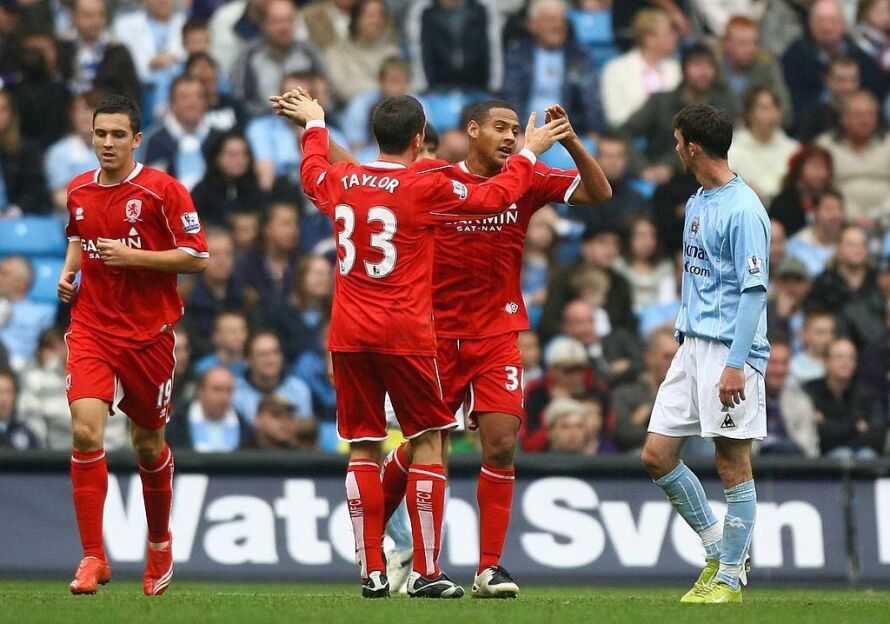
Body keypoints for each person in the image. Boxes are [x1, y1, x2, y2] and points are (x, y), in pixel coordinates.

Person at [274, 89, 568, 598]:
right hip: (405, 332)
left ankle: (371, 569)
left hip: (347, 332)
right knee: (430, 441)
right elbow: (494, 198)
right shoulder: (425, 183)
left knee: (363, 447)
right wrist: (530, 151)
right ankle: (427, 571)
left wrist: (314, 123)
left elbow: (312, 171)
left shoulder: (343, 180)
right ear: (418, 140)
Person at [375, 98, 610, 597]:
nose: (509, 136)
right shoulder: (437, 178)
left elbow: (598, 191)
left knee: (501, 443)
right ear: (472, 130)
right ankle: (380, 528)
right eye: (499, 127)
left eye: (515, 130)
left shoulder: (528, 176)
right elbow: (376, 179)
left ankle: (489, 569)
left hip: (498, 335)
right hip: (436, 336)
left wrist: (569, 142)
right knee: (423, 448)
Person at [58, 94, 209, 596]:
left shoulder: (164, 191)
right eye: (100, 133)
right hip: (92, 329)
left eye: (118, 135)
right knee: (85, 431)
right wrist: (68, 274)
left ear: (136, 139)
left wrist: (135, 257)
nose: (108, 143)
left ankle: (160, 542)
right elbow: (78, 237)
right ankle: (93, 556)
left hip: (148, 335)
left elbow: (197, 257)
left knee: (148, 445)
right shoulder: (78, 189)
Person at [640, 105, 770, 604]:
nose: (675, 149)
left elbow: (754, 292)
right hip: (691, 344)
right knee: (656, 455)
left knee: (732, 461)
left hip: (729, 350)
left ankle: (731, 578)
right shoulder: (697, 201)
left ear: (692, 146)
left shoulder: (744, 209)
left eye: (678, 141)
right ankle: (719, 549)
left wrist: (736, 363)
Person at [600, 8, 680, 128]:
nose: (674, 38)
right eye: (668, 34)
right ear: (649, 39)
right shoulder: (616, 70)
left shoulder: (676, 69)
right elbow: (616, 117)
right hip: (631, 134)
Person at [612, 326, 678, 453]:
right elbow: (622, 435)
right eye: (668, 357)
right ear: (650, 357)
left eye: (677, 357)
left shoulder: (689, 393)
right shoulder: (626, 394)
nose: (674, 363)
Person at [727, 87, 799, 204]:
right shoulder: (732, 149)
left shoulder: (793, 150)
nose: (770, 114)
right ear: (749, 114)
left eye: (774, 108)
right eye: (764, 108)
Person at [323, 0, 400, 102]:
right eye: (371, 15)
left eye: (381, 15)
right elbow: (343, 90)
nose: (376, 21)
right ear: (356, 19)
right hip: (350, 107)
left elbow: (404, 84)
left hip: (391, 104)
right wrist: (384, 88)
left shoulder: (392, 51)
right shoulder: (336, 52)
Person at [166, 366, 251, 452]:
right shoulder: (176, 425)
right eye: (217, 389)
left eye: (229, 390)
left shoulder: (245, 429)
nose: (224, 397)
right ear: (200, 391)